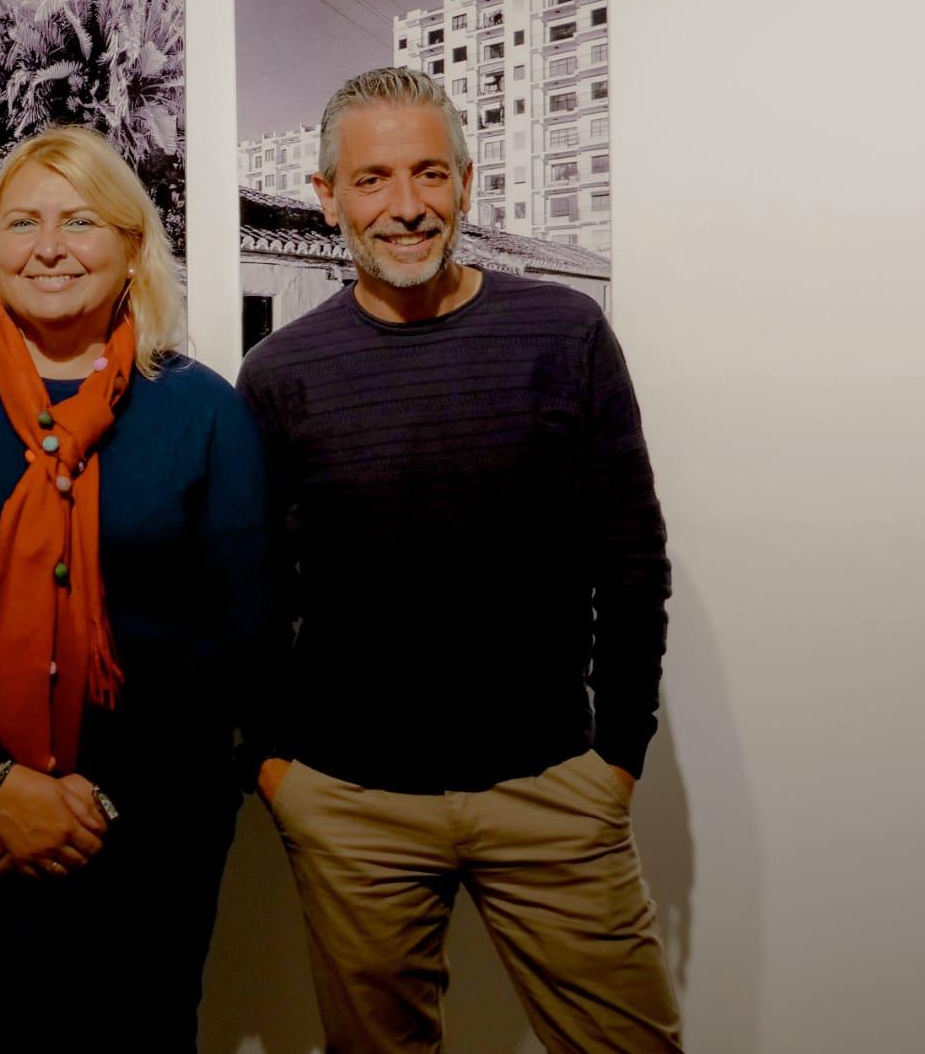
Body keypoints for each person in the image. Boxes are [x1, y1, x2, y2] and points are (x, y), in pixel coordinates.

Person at [238, 66, 681, 1052]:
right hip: (351, 807)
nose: (404, 206)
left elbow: (630, 553)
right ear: (326, 197)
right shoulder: (277, 375)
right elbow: (253, 593)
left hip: (552, 789)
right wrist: (271, 765)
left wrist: (617, 755)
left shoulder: (563, 332)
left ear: (466, 183)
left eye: (428, 173)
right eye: (372, 179)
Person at [0, 124, 271, 1051]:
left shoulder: (201, 405)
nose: (50, 247)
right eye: (23, 222)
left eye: (80, 221)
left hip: (149, 827)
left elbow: (237, 624)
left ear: (132, 246)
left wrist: (100, 799)